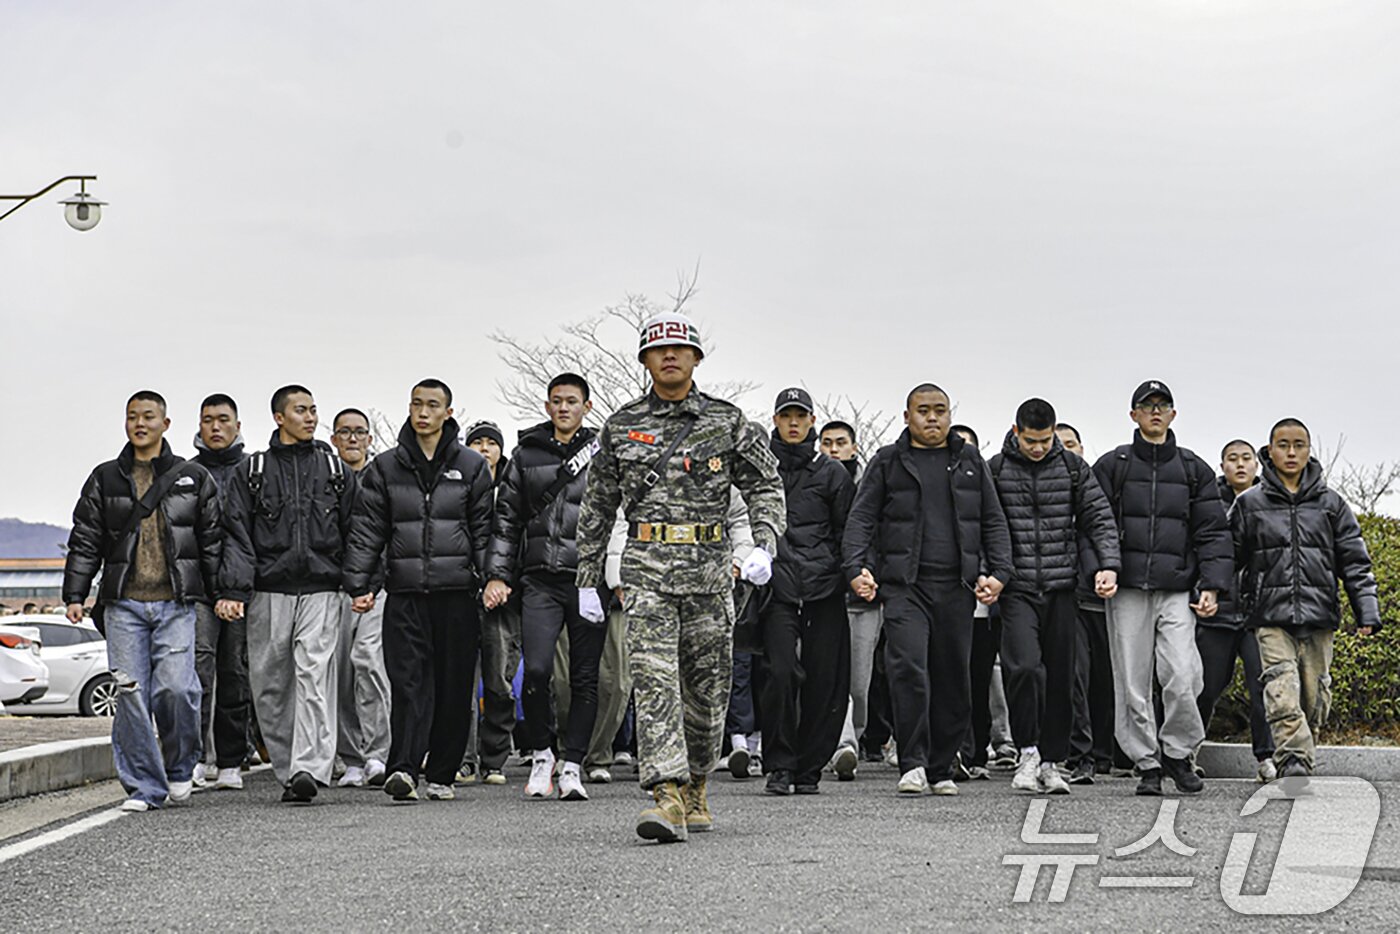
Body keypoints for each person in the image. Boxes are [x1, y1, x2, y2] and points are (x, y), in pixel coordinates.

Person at [575, 311, 785, 843]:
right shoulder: (621, 426)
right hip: (646, 570)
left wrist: (764, 543)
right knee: (654, 683)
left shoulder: (727, 421)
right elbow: (597, 506)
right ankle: (665, 793)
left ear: (695, 358)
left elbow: (765, 485)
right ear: (645, 360)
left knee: (708, 690)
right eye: (658, 349)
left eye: (679, 349)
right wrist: (587, 578)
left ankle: (696, 782)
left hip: (711, 573)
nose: (669, 356)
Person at [842, 384, 1013, 797]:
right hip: (904, 586)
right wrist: (855, 567)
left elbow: (992, 519)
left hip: (957, 586)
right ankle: (914, 761)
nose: (932, 418)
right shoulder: (888, 461)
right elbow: (861, 519)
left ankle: (942, 767)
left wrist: (999, 572)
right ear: (907, 416)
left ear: (950, 415)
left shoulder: (969, 460)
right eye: (923, 411)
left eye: (939, 410)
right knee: (908, 669)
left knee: (953, 676)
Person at [63, 391, 221, 812]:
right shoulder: (104, 478)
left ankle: (181, 766)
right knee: (130, 696)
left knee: (176, 689)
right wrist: (75, 593)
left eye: (148, 416)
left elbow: (212, 541)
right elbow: (85, 538)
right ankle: (143, 788)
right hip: (124, 606)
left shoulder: (193, 477)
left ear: (165, 424)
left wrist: (224, 593)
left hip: (176, 604)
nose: (140, 423)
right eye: (132, 416)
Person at [343, 380, 494, 802]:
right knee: (408, 683)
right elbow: (368, 530)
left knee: (453, 685)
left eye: (432, 405)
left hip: (458, 593)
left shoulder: (471, 466)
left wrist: (492, 578)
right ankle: (404, 769)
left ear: (448, 412)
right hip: (405, 593)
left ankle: (442, 773)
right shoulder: (387, 467)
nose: (422, 412)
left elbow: (484, 530)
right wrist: (361, 582)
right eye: (416, 404)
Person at [218, 385, 358, 804]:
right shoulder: (252, 470)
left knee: (314, 677)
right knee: (271, 684)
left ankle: (309, 768)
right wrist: (234, 590)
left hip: (322, 588)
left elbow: (356, 530)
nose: (311, 417)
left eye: (314, 410)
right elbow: (237, 535)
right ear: (280, 417)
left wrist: (357, 584)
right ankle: (288, 768)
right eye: (301, 410)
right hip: (268, 591)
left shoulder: (335, 468)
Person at [1093, 380, 1231, 796]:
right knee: (1132, 681)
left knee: (1184, 674)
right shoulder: (1113, 464)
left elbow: (1212, 533)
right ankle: (1147, 762)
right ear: (1132, 414)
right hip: (1128, 587)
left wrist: (1212, 585)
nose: (1155, 411)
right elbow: (1093, 524)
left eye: (1163, 405)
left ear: (1174, 414)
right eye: (1146, 405)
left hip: (1176, 588)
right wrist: (1104, 567)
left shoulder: (1194, 468)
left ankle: (1177, 752)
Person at [1231, 419, 1381, 777]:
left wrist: (1367, 611)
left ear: (1309, 450)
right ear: (1270, 450)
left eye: (1299, 444)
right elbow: (1228, 559)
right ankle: (1292, 760)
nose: (1291, 452)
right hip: (1269, 614)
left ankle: (1300, 752)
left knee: (1313, 696)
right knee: (1281, 684)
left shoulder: (1331, 505)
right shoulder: (1248, 504)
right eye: (1283, 445)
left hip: (1319, 613)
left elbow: (1355, 561)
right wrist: (1218, 598)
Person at [484, 373, 605, 802]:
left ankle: (574, 764)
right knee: (535, 670)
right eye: (556, 401)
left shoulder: (603, 453)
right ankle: (542, 754)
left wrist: (618, 574)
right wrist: (497, 574)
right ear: (547, 406)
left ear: (587, 407)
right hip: (539, 578)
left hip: (588, 580)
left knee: (586, 677)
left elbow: (617, 516)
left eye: (572, 401)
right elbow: (506, 519)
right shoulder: (525, 453)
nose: (563, 408)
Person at [989, 399, 1120, 795]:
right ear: (1016, 432)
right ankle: (1027, 751)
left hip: (1063, 587)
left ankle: (1052, 761)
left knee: (1063, 675)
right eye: (1031, 441)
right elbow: (982, 522)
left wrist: (1107, 564)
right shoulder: (995, 469)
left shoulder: (1071, 467)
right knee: (1025, 668)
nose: (1039, 448)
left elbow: (1099, 516)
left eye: (1045, 440)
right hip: (1016, 589)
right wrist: (988, 573)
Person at [760, 389, 856, 796]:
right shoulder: (760, 469)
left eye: (801, 416)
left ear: (813, 421)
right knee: (780, 673)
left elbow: (848, 531)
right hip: (776, 586)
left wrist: (844, 573)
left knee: (824, 680)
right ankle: (779, 765)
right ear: (777, 420)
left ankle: (809, 767)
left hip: (824, 588)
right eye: (787, 416)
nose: (794, 423)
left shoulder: (831, 472)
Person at [1195, 439, 1275, 783]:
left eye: (1246, 459)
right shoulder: (1208, 501)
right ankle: (1187, 750)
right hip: (1218, 612)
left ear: (1256, 465)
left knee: (1264, 686)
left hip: (1259, 613)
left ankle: (1267, 758)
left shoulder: (1269, 501)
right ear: (1222, 465)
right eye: (1232, 459)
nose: (1240, 465)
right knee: (1205, 686)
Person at [189, 393, 253, 791]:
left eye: (223, 420)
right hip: (198, 587)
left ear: (237, 426)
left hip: (244, 588)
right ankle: (194, 756)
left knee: (235, 670)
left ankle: (231, 758)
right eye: (208, 420)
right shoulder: (186, 473)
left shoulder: (253, 470)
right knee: (198, 672)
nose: (215, 427)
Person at [328, 408, 392, 789]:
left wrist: (372, 584)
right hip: (331, 590)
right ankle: (350, 757)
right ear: (334, 438)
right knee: (339, 673)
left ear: (369, 439)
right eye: (344, 432)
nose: (352, 439)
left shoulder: (383, 476)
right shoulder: (324, 477)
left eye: (359, 432)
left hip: (377, 588)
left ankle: (377, 753)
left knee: (368, 661)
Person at [822, 420, 886, 779]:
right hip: (827, 594)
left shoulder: (871, 485)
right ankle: (841, 744)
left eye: (841, 443)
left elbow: (881, 536)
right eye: (827, 443)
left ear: (854, 448)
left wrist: (871, 576)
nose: (833, 449)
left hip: (866, 597)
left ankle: (854, 739)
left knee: (859, 684)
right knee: (832, 679)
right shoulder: (815, 482)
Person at [1059, 422, 1119, 785]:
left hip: (1104, 595)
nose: (1065, 450)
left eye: (1071, 444)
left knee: (1107, 679)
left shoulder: (1095, 484)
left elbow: (1105, 529)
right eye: (1058, 444)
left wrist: (1107, 569)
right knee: (1075, 675)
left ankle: (1105, 754)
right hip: (1069, 596)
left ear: (1082, 448)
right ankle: (1078, 752)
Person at [464, 419, 521, 783]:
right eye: (477, 442)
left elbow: (520, 539)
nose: (484, 449)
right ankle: (463, 757)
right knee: (460, 684)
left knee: (499, 679)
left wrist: (504, 581)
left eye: (490, 443)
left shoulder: (514, 488)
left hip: (505, 598)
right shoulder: (456, 485)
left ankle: (495, 757)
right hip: (462, 592)